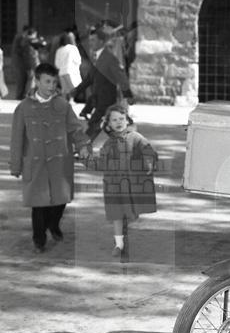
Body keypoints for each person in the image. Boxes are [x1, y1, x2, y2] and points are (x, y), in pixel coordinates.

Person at [9, 62, 91, 252]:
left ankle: (54, 224)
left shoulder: (62, 105)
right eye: (47, 81)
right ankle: (39, 239)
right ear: (37, 81)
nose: (51, 86)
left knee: (59, 202)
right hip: (35, 164)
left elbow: (75, 129)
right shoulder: (23, 108)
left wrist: (83, 146)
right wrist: (16, 165)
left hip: (60, 163)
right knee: (38, 205)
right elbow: (17, 139)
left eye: (54, 82)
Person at [84, 104, 158, 260]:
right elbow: (102, 163)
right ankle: (119, 244)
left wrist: (149, 161)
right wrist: (88, 160)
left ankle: (126, 230)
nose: (118, 122)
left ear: (127, 120)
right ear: (108, 124)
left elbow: (148, 149)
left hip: (132, 185)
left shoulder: (136, 137)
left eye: (121, 119)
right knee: (116, 215)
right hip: (113, 186)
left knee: (130, 214)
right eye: (114, 120)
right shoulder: (108, 144)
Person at [72, 24, 131, 141]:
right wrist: (76, 91)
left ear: (101, 41)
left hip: (106, 98)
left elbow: (120, 76)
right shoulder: (98, 57)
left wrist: (127, 94)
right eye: (90, 40)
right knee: (106, 126)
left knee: (95, 123)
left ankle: (83, 146)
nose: (90, 43)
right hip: (98, 97)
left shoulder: (109, 57)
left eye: (93, 40)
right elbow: (89, 78)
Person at [11, 26, 41, 100]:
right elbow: (26, 53)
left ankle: (22, 96)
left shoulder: (24, 39)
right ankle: (22, 96)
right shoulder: (24, 39)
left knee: (25, 80)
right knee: (25, 80)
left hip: (23, 64)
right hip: (22, 64)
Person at [54, 31, 82, 99]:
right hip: (71, 72)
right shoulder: (73, 48)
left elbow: (57, 64)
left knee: (64, 91)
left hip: (61, 72)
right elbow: (78, 61)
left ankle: (65, 103)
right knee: (74, 89)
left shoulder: (59, 50)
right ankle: (73, 101)